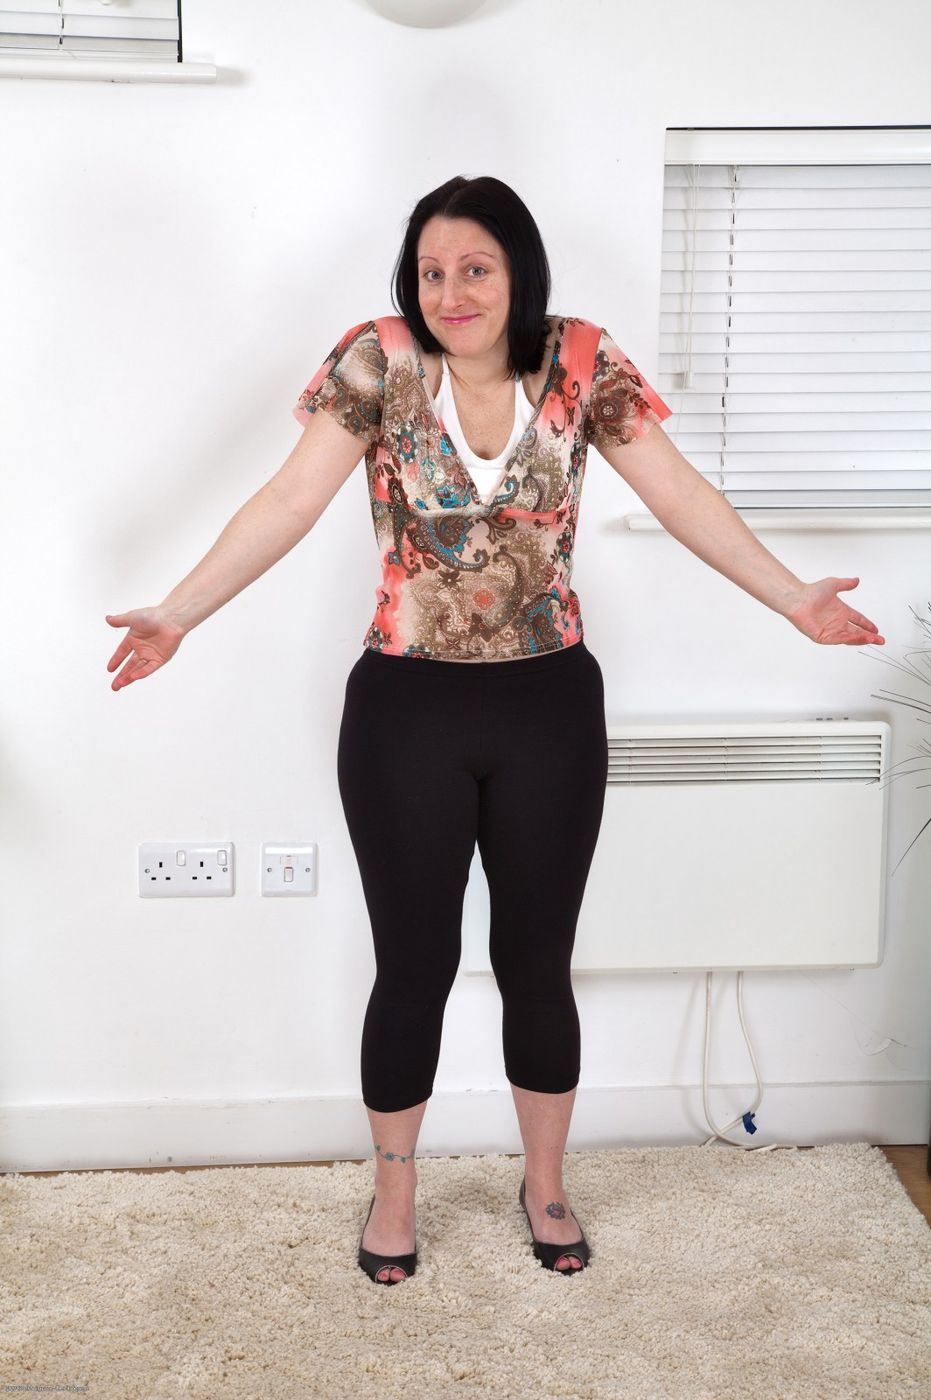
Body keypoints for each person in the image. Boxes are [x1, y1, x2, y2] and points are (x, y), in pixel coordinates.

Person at [104, 175, 886, 1287]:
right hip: (404, 709)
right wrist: (180, 612)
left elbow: (679, 497)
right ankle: (394, 1194)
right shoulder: (376, 361)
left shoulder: (582, 361)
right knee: (413, 964)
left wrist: (793, 597)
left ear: (519, 272)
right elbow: (287, 500)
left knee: (535, 961)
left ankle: (545, 1185)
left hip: (548, 708)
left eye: (474, 268)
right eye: (430, 272)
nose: (450, 292)